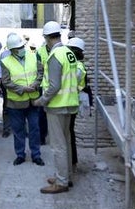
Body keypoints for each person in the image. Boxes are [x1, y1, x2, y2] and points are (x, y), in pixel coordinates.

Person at [33, 24, 80, 194]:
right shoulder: (68, 53)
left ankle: (61, 182)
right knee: (66, 142)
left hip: (57, 105)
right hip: (70, 103)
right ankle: (66, 176)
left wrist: (42, 100)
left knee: (58, 145)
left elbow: (54, 85)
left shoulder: (54, 55)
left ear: (47, 38)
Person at [0, 32, 43, 166]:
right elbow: (6, 82)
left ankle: (36, 155)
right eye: (18, 48)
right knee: (18, 130)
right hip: (16, 103)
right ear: (12, 50)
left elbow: (40, 73)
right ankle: (20, 154)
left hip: (33, 100)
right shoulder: (5, 62)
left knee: (35, 128)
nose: (21, 49)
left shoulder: (32, 56)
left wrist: (35, 85)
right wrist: (23, 89)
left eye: (22, 46)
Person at [66, 37, 92, 171]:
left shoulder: (78, 66)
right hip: (69, 102)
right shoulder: (75, 64)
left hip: (71, 103)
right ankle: (70, 163)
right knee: (68, 134)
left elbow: (70, 79)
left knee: (69, 134)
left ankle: (72, 164)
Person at [35, 20, 60, 145]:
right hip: (43, 87)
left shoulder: (60, 51)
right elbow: (39, 70)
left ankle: (54, 137)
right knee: (42, 114)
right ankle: (41, 136)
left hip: (57, 87)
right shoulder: (40, 52)